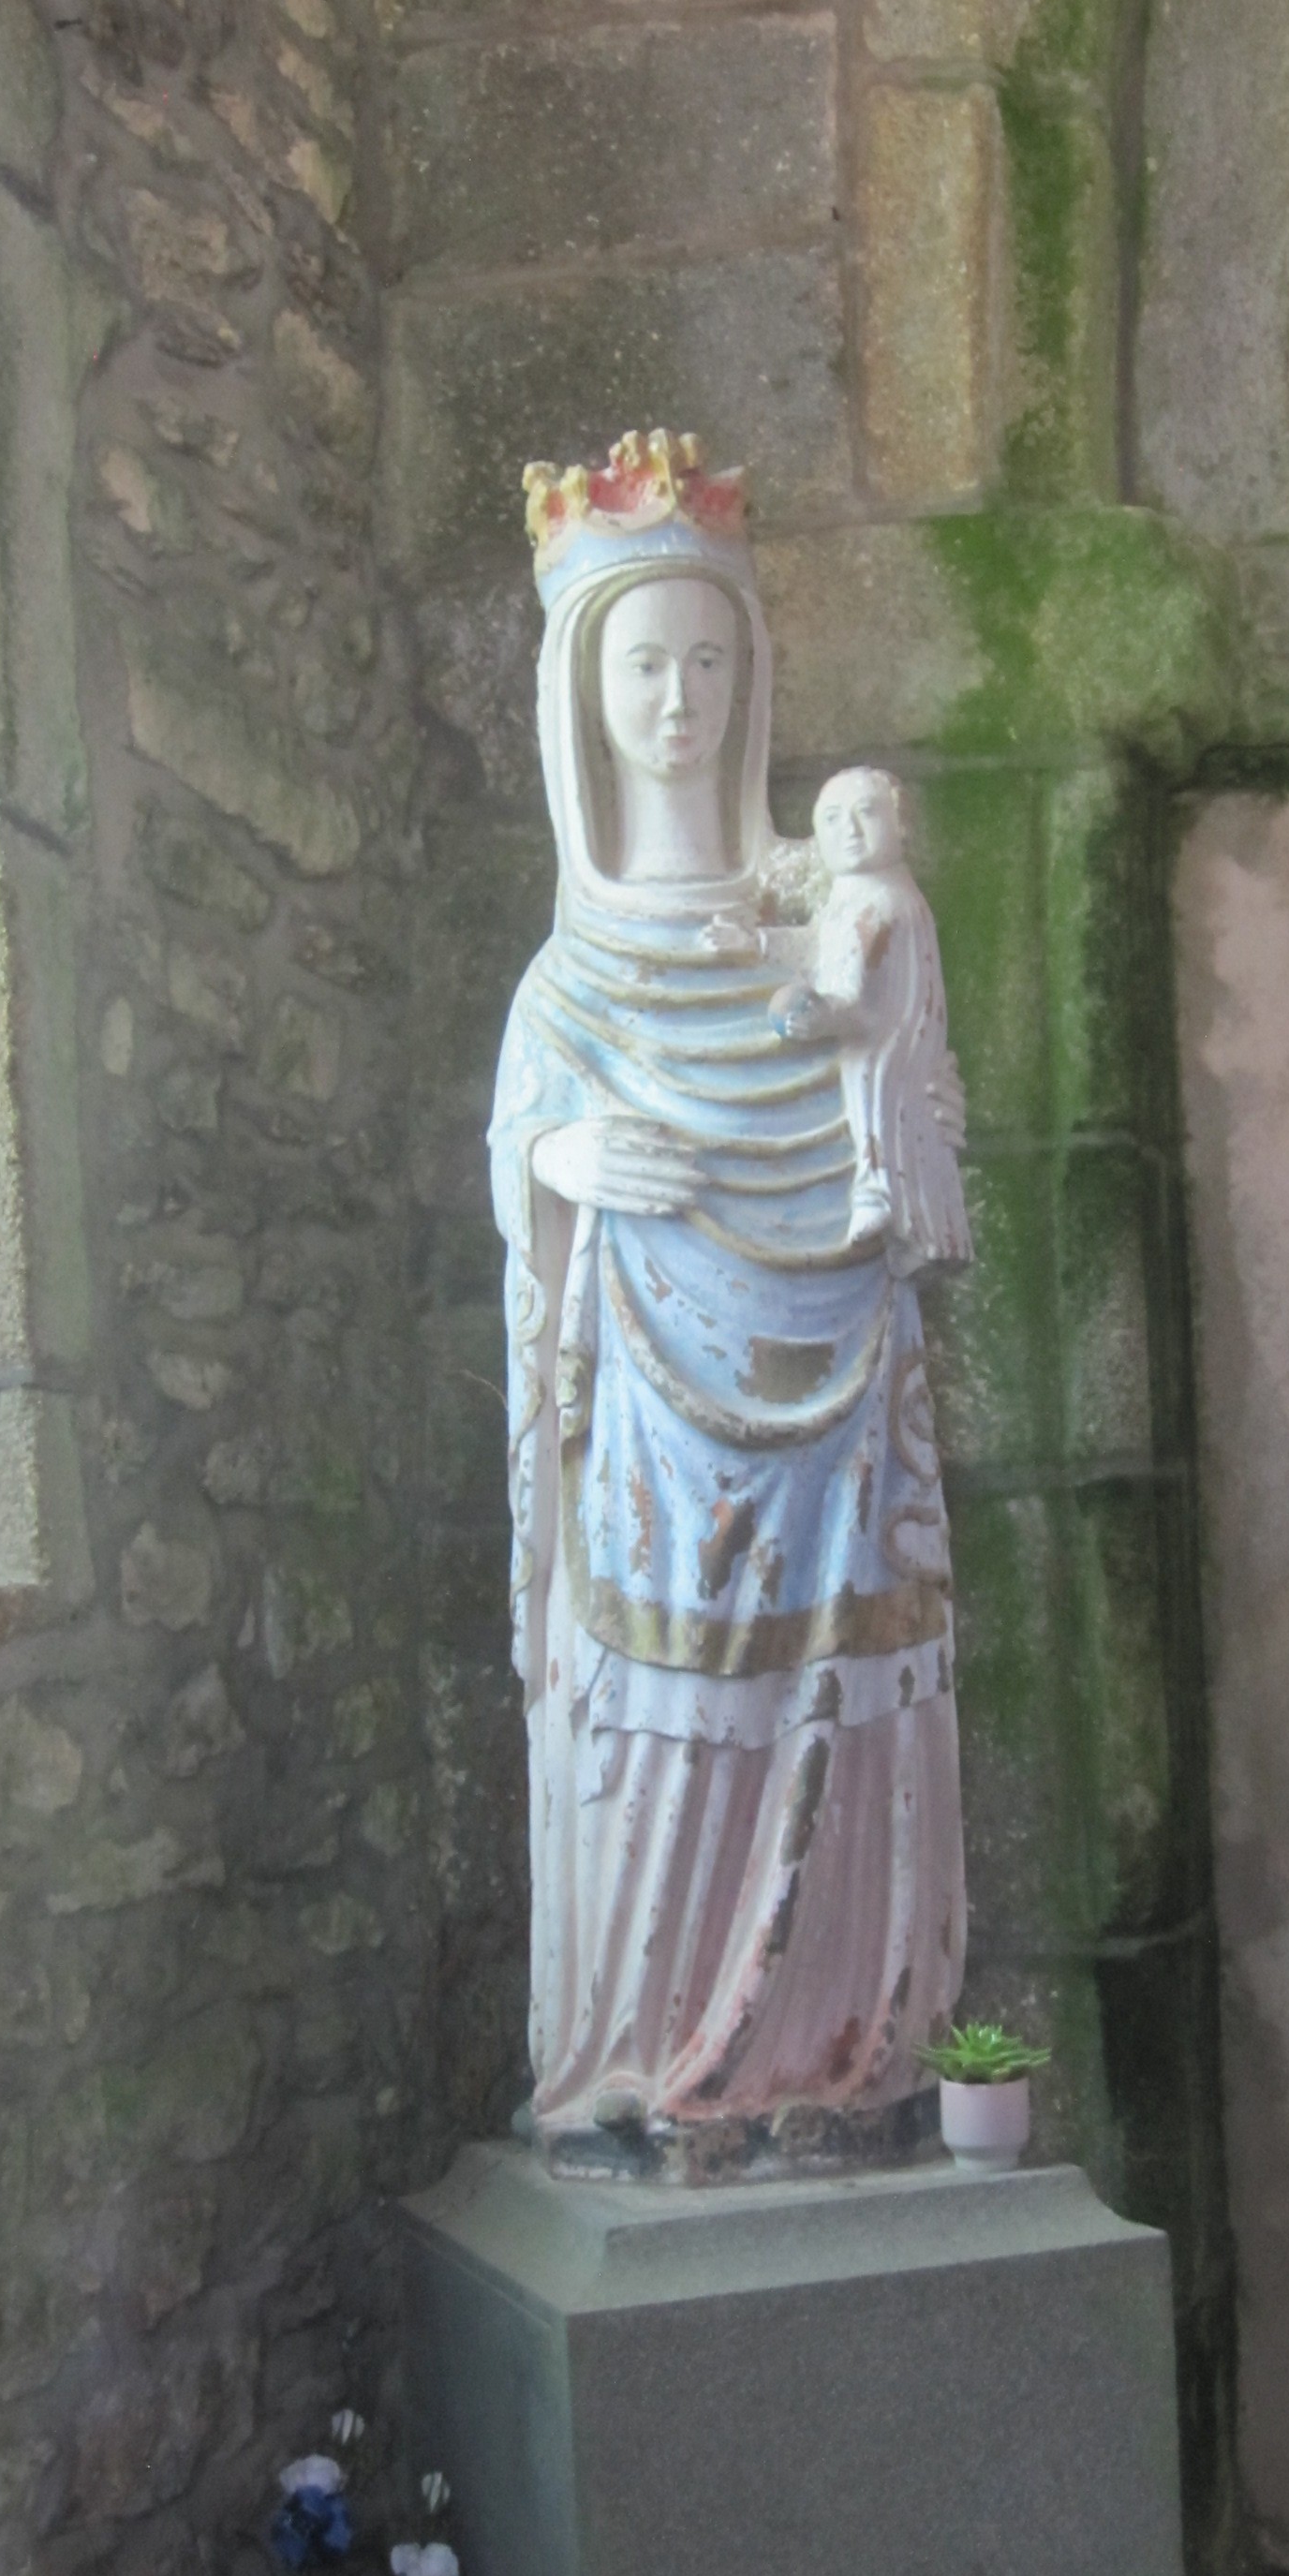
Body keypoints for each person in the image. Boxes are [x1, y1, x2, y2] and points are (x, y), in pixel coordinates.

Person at [487, 432, 970, 2177]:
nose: (676, 697)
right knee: (655, 1692)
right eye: (640, 662)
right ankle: (642, 2048)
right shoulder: (566, 978)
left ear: (750, 677)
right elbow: (521, 1179)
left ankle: (844, 2042)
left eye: (707, 657)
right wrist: (560, 1162)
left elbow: (904, 1136)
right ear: (581, 695)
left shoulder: (817, 922)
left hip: (835, 1391)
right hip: (653, 1427)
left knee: (842, 1684)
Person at [767, 766, 973, 1280]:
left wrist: (813, 1015)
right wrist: (757, 944)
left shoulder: (879, 902)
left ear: (901, 825)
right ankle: (921, 1226)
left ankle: (877, 1190)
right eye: (833, 820)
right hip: (894, 1036)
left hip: (886, 1039)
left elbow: (851, 997)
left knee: (878, 1100)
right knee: (913, 1119)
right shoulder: (859, 895)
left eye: (866, 813)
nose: (850, 830)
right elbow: (818, 943)